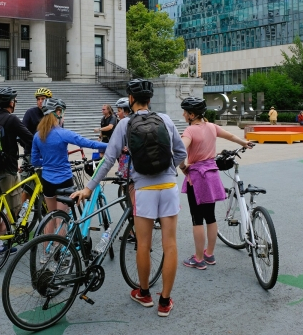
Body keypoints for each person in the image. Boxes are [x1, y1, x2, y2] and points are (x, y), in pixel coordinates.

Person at [72, 78, 187, 318]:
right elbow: (181, 152)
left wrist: (89, 188)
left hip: (143, 189)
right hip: (168, 187)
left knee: (143, 244)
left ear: (131, 100)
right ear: (150, 100)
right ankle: (164, 301)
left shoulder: (124, 124)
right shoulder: (165, 120)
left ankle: (144, 293)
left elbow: (108, 160)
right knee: (170, 244)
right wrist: (169, 169)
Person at [179, 97, 253, 270]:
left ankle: (198, 259)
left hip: (197, 177)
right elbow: (232, 136)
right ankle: (209, 254)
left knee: (197, 219)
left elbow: (181, 150)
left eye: (184, 112)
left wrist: (183, 166)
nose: (183, 114)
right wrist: (245, 143)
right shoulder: (212, 127)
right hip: (211, 176)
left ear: (191, 115)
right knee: (210, 217)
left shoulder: (190, 131)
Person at [31, 97, 108, 247]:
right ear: (58, 113)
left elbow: (35, 161)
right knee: (62, 219)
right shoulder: (62, 133)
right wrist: (112, 145)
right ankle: (60, 256)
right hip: (64, 181)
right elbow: (88, 143)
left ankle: (46, 255)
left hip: (47, 180)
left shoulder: (38, 135)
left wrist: (47, 163)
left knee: (50, 218)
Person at [0, 87, 34, 258]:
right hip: (7, 171)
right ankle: (1, 240)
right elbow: (30, 138)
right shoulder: (12, 119)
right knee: (15, 208)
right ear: (12, 102)